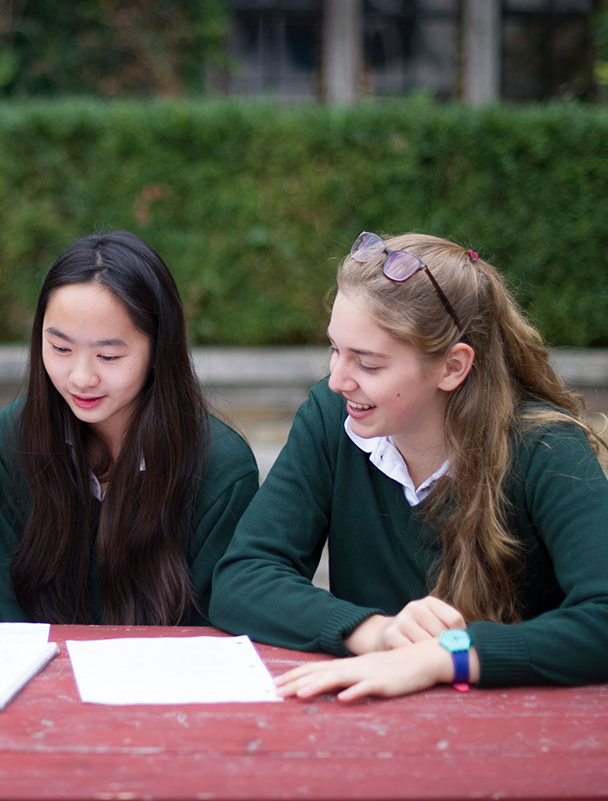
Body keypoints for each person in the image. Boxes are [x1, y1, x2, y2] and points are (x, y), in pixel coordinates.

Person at [210, 231, 608, 700]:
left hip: (525, 735)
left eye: (369, 364)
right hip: (367, 723)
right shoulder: (331, 417)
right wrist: (375, 632)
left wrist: (446, 656)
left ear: (452, 368)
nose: (337, 380)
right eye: (335, 349)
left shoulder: (546, 447)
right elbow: (243, 577)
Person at [0, 230, 259, 625]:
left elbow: (217, 630)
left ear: (158, 350)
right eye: (60, 348)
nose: (81, 377)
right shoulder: (15, 436)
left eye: (109, 355)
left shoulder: (220, 468)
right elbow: (5, 611)